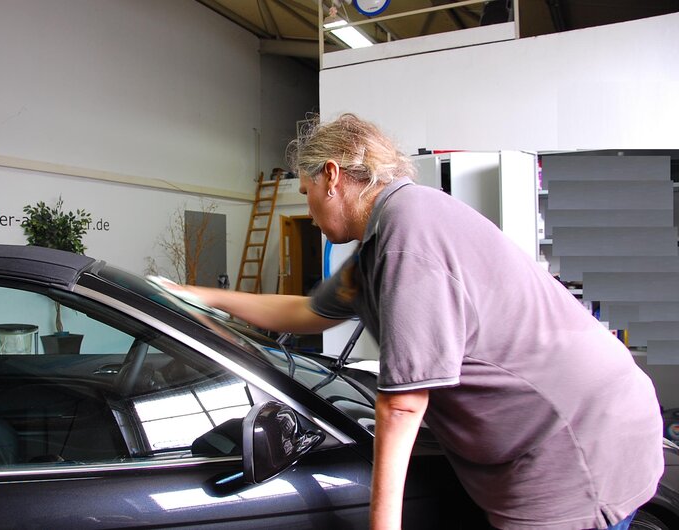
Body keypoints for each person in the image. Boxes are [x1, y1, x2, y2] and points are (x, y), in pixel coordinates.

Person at [182, 114, 664, 529]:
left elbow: (403, 406)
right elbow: (307, 313)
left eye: (307, 193)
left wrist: (383, 524)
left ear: (332, 176)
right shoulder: (383, 239)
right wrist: (200, 296)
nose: (309, 213)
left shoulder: (406, 233)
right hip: (569, 427)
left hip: (574, 444)